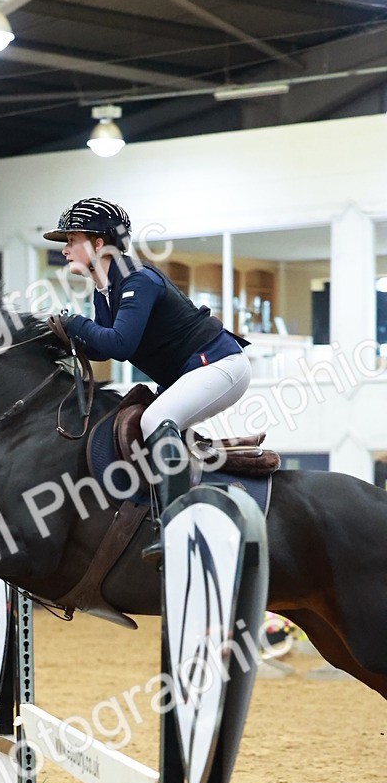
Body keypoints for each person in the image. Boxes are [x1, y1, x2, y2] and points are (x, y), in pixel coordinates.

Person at [44, 197, 251, 560]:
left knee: (156, 419)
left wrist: (76, 323)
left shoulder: (138, 281)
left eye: (70, 239)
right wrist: (64, 340)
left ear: (97, 244)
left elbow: (121, 344)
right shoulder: (104, 288)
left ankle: (178, 526)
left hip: (220, 365)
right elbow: (103, 348)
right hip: (193, 371)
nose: (64, 250)